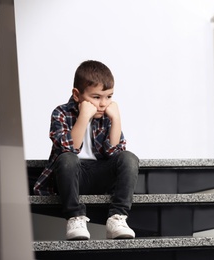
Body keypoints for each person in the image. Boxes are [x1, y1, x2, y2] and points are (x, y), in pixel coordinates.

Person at [33, 60, 139, 240]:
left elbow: (115, 153)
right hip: (71, 176)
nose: (103, 103)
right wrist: (84, 116)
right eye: (96, 97)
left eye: (109, 96)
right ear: (77, 94)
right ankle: (75, 217)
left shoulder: (106, 116)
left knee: (129, 158)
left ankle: (117, 218)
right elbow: (69, 149)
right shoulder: (61, 113)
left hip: (100, 176)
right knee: (67, 159)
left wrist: (116, 120)